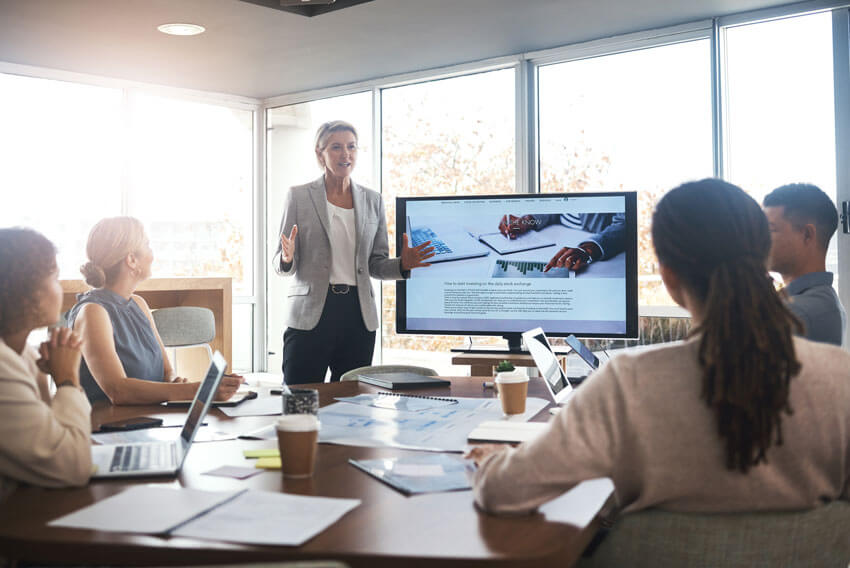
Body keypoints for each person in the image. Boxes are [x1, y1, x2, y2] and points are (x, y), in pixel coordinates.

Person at [471, 179, 850, 516]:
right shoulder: (841, 377)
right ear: (761, 258)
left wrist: (492, 460)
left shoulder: (628, 384)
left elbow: (503, 493)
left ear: (667, 276)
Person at [273, 120, 435, 384]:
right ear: (320, 153)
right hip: (311, 313)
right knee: (299, 397)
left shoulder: (372, 200)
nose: (345, 154)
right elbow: (280, 261)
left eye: (351, 147)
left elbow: (376, 264)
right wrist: (287, 257)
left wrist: (402, 265)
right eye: (336, 147)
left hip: (357, 314)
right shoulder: (299, 196)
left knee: (351, 401)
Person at [67, 217, 242, 404]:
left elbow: (167, 371)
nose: (152, 254)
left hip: (149, 418)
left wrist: (175, 382)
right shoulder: (93, 312)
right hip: (110, 426)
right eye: (147, 245)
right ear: (132, 260)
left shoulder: (139, 304)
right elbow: (118, 391)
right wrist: (198, 390)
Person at [0, 228, 92, 501]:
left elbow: (59, 432)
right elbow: (73, 466)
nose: (60, 288)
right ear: (26, 293)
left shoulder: (23, 354)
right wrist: (66, 380)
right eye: (54, 277)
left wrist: (57, 378)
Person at [763, 183, 846, 346]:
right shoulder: (819, 300)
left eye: (770, 230)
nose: (760, 239)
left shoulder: (799, 313)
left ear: (807, 235)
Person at [498, 212, 626, 272]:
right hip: (555, 237)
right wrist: (528, 220)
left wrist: (588, 249)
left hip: (599, 251)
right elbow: (554, 211)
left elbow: (624, 224)